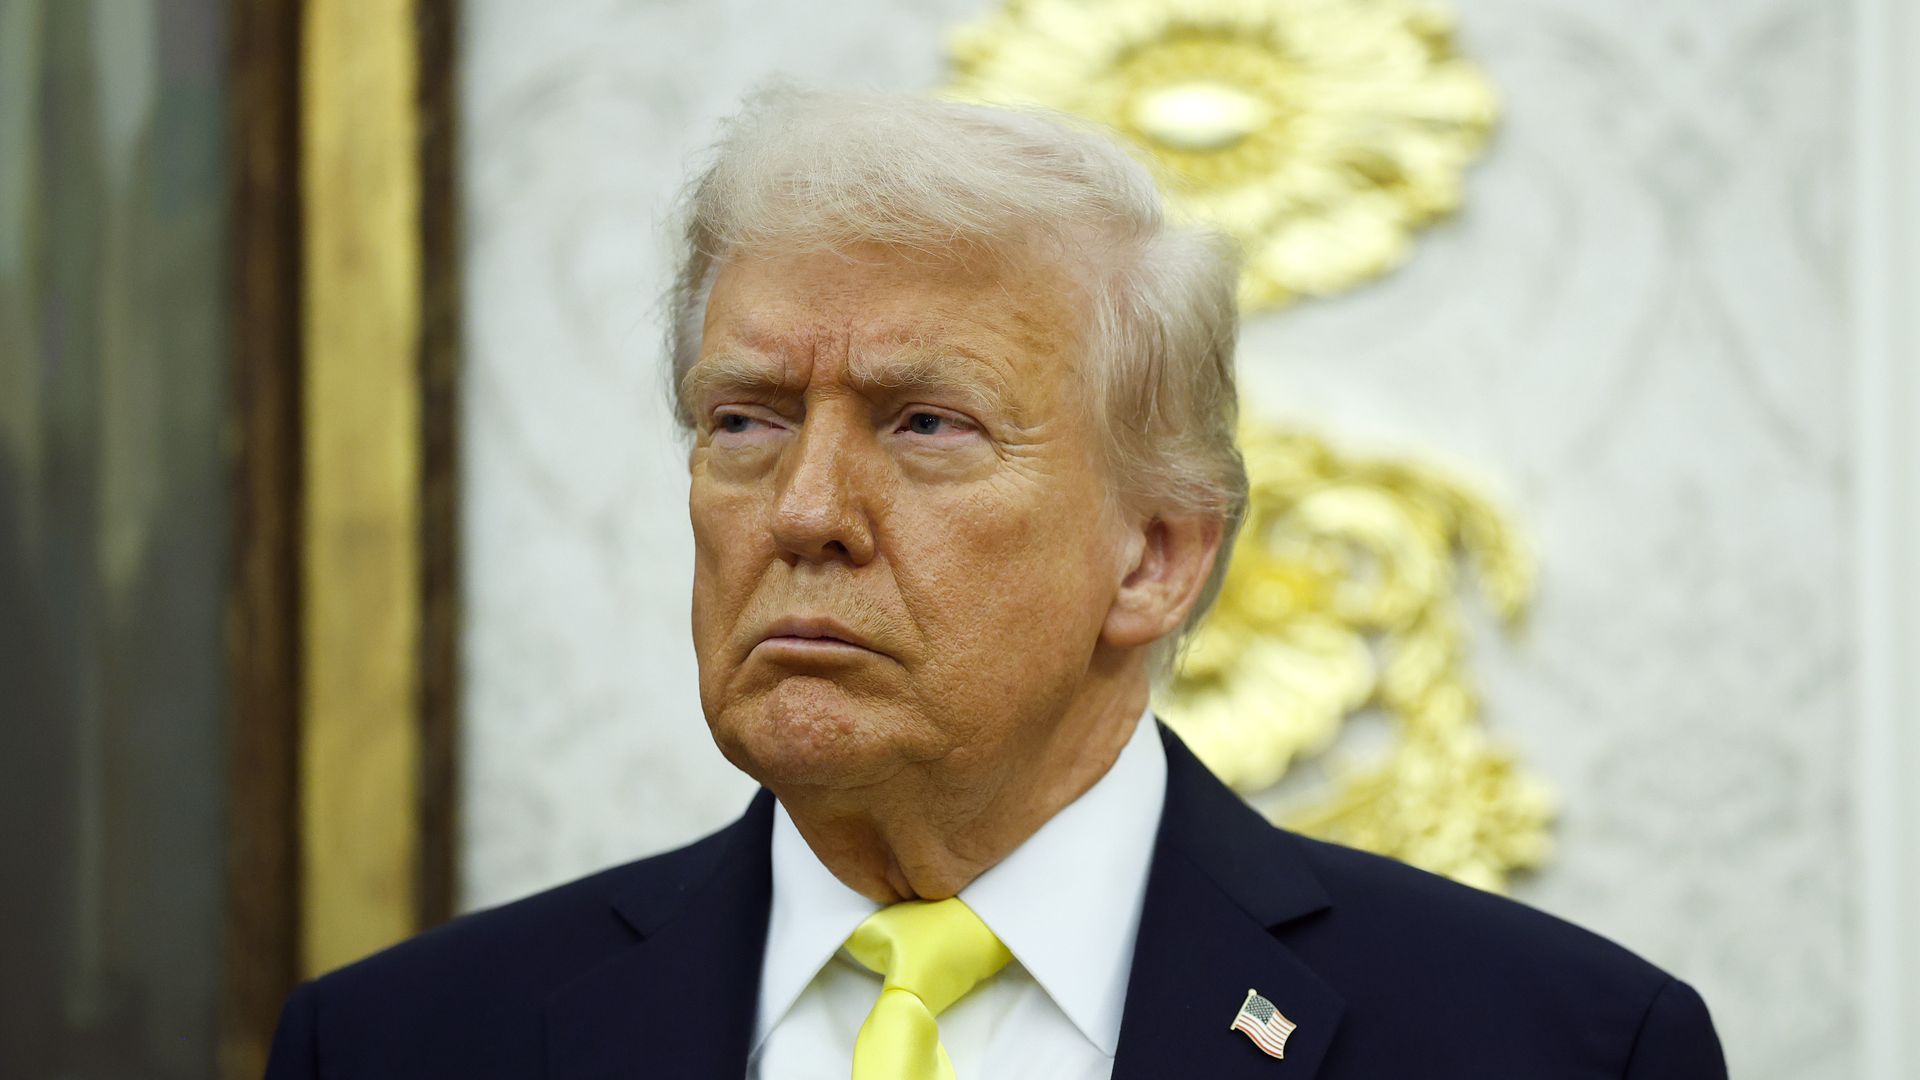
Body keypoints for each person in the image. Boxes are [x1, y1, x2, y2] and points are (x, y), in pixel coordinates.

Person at [265, 88, 1726, 1079]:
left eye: (926, 425)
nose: (807, 511)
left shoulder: (1551, 1047)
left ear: (1155, 555)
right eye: (746, 421)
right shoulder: (409, 1043)